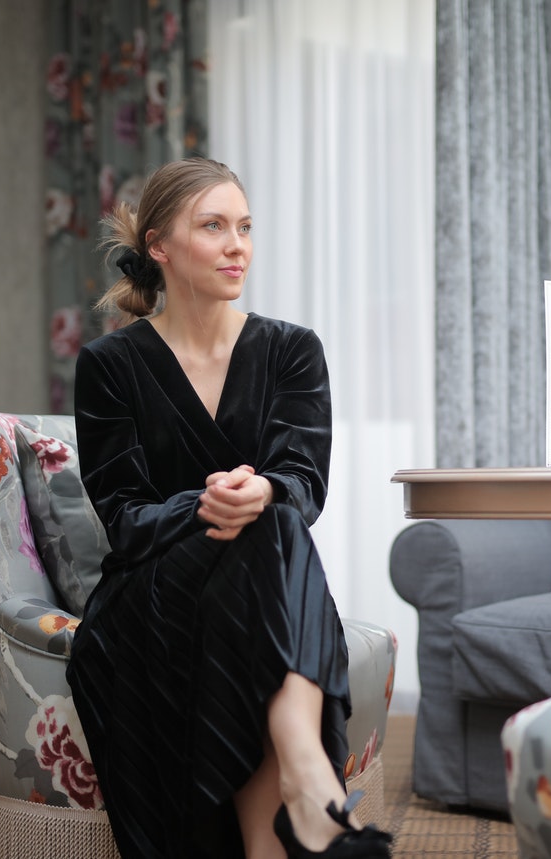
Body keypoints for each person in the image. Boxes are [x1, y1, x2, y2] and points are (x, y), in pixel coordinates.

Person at [66, 157, 392, 859]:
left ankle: (297, 790)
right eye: (213, 226)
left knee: (271, 517)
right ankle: (312, 786)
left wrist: (266, 489)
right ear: (159, 244)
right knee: (264, 529)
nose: (237, 243)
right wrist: (207, 502)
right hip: (150, 594)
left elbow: (302, 485)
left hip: (256, 586)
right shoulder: (110, 366)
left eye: (244, 226)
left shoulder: (291, 351)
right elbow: (124, 520)